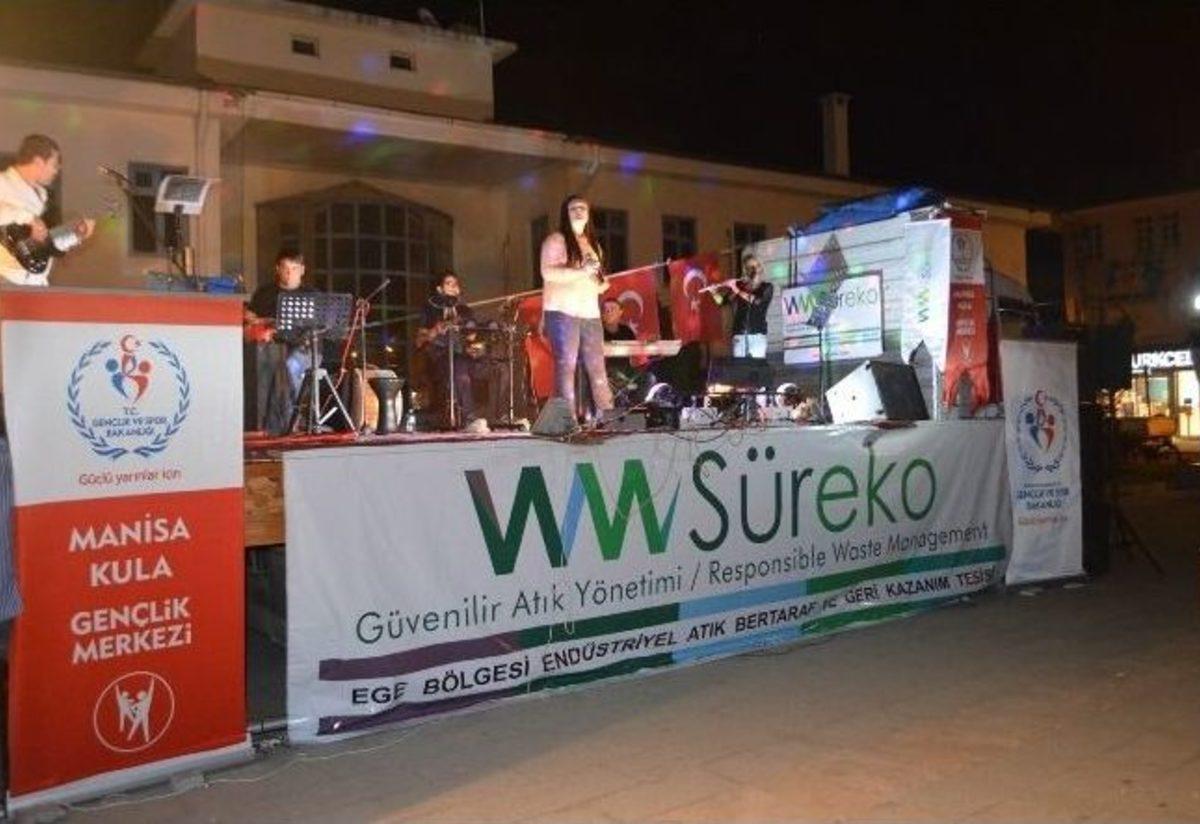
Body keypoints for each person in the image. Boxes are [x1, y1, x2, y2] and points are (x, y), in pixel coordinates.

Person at [539, 194, 613, 421]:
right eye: (573, 208)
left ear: (589, 214)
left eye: (583, 208)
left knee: (598, 367)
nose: (579, 212)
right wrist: (581, 271)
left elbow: (595, 281)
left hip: (590, 313)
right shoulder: (556, 240)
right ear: (566, 213)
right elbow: (548, 273)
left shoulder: (593, 246)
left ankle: (607, 417)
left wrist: (601, 284)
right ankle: (565, 420)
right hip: (562, 311)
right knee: (566, 366)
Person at [418, 271, 508, 433]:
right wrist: (435, 330)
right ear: (439, 289)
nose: (454, 287)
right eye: (449, 284)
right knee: (461, 370)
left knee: (500, 369)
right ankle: (469, 418)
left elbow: (472, 338)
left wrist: (478, 346)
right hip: (442, 360)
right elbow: (419, 341)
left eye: (456, 284)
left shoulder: (464, 310)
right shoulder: (430, 309)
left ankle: (499, 418)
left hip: (466, 357)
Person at [0, 134, 94, 286]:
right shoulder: (3, 183)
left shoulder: (43, 196)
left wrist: (74, 235)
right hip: (6, 282)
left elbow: (42, 242)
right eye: (54, 165)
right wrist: (28, 218)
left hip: (36, 284)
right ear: (38, 162)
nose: (56, 171)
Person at [243, 249, 313, 433]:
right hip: (270, 348)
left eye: (294, 268)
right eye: (285, 268)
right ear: (277, 269)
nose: (290, 273)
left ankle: (285, 425)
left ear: (302, 270)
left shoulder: (311, 295)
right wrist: (259, 322)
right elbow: (250, 317)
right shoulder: (265, 293)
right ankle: (267, 425)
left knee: (290, 367)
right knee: (265, 368)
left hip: (304, 350)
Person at [730, 253, 774, 359]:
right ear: (745, 270)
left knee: (756, 367)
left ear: (761, 268)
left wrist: (736, 290)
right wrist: (713, 292)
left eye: (756, 266)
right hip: (739, 335)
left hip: (757, 336)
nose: (754, 270)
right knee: (740, 367)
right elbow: (722, 301)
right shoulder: (740, 286)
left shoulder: (767, 287)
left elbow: (756, 301)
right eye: (750, 267)